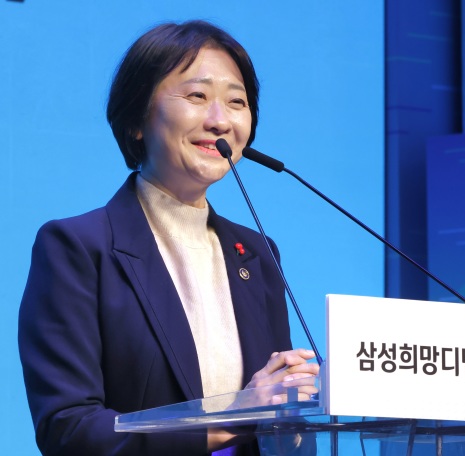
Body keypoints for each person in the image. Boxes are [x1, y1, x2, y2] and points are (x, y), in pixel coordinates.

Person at [18, 20, 319, 456]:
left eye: (236, 102)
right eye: (197, 96)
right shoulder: (77, 247)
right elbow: (68, 428)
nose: (220, 121)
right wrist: (236, 416)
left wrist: (294, 410)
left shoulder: (256, 253)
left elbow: (272, 420)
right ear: (137, 119)